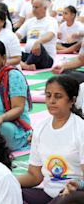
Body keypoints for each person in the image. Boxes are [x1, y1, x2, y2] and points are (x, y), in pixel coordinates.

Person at [18, 75, 84, 203]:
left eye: (58, 96)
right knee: (12, 194)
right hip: (48, 194)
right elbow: (34, 176)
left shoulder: (80, 129)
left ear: (72, 100)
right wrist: (7, 181)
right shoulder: (41, 128)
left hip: (74, 195)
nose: (51, 101)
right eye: (48, 96)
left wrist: (77, 185)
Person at [16, 0, 58, 71]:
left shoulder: (52, 21)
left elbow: (50, 35)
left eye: (36, 7)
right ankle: (25, 65)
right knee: (9, 51)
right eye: (33, 7)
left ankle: (22, 65)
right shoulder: (29, 21)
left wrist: (38, 42)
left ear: (45, 8)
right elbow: (18, 35)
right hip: (28, 54)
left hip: (45, 58)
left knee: (39, 47)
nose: (34, 9)